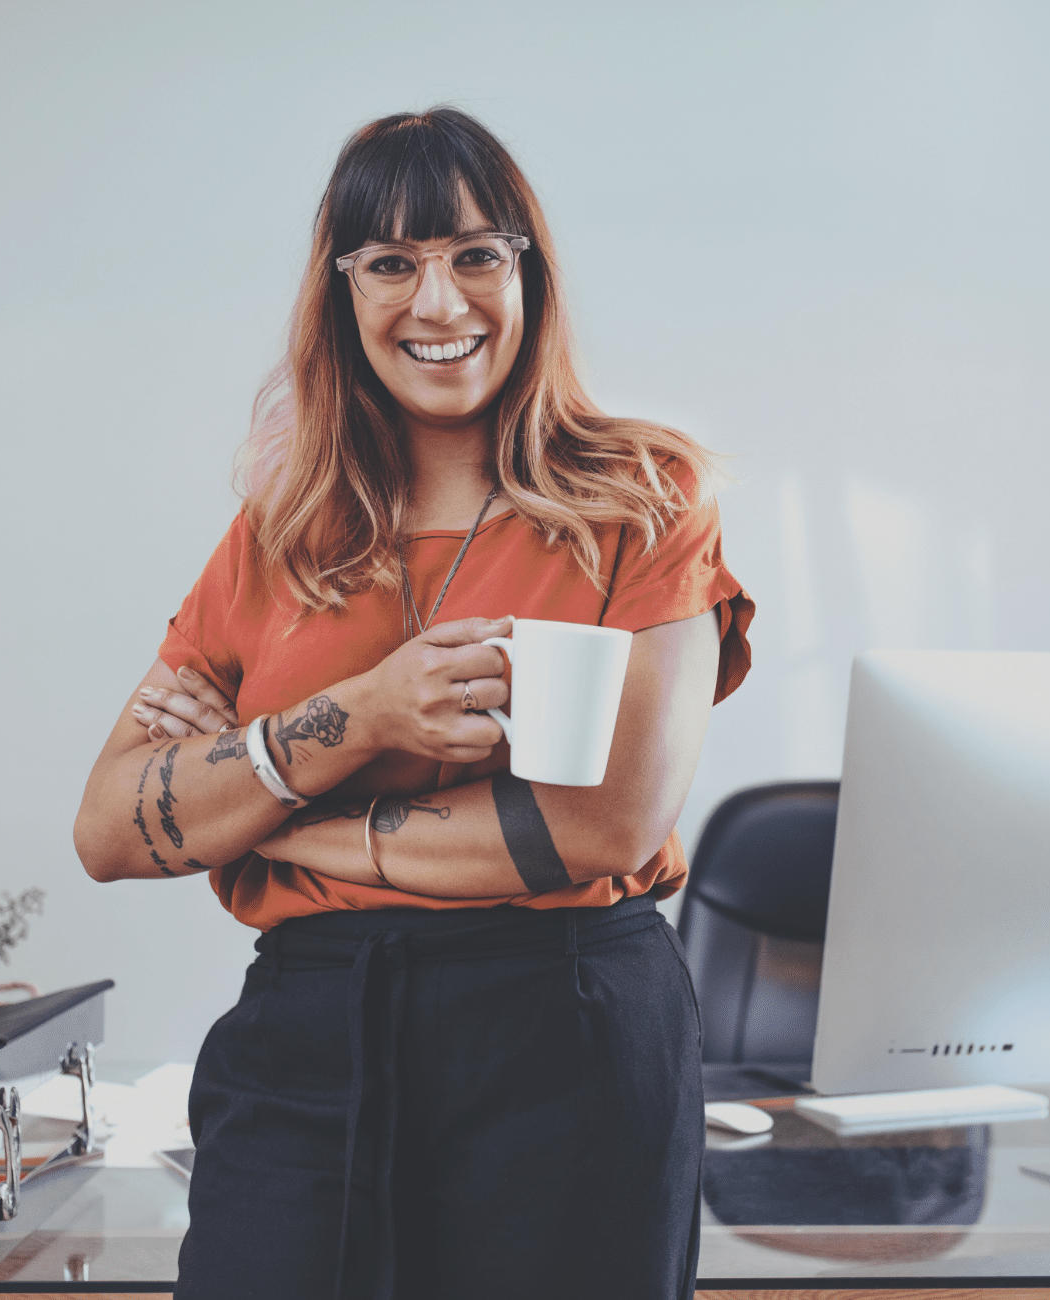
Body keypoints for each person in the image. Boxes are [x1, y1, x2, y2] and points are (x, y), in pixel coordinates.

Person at [72, 107, 754, 1300]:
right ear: (341, 294)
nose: (438, 306)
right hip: (306, 1042)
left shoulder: (642, 501)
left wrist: (264, 805)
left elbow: (601, 828)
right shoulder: (278, 537)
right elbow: (112, 826)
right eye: (391, 264)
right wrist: (363, 718)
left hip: (568, 1033)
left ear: (527, 275)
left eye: (475, 256)